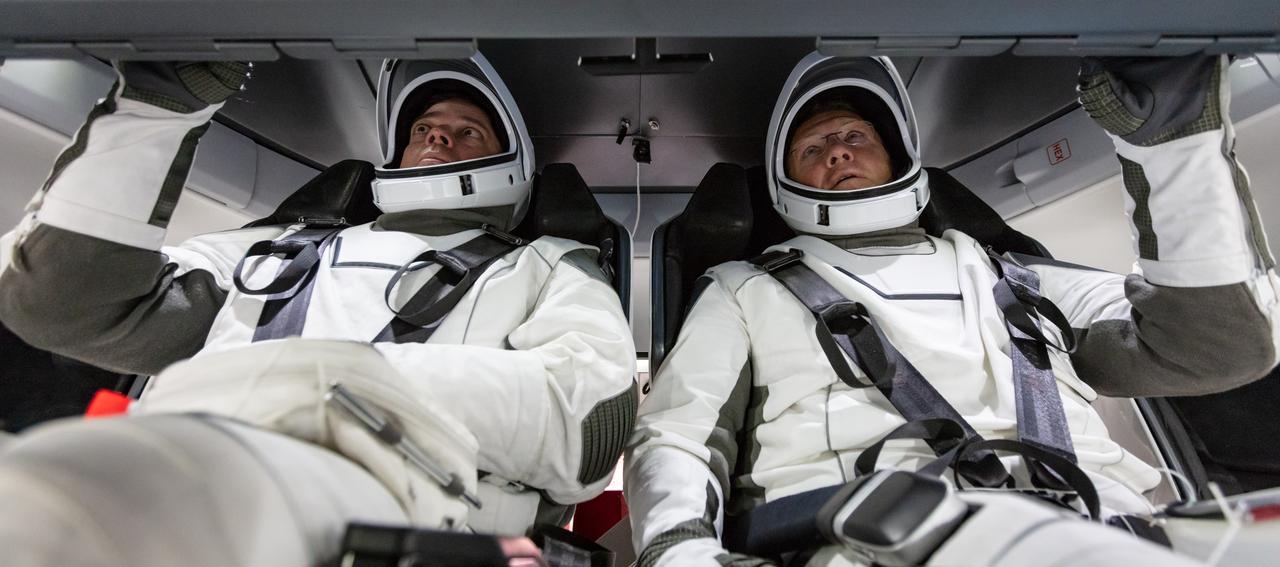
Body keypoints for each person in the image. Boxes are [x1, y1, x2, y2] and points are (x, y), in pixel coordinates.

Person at [625, 53, 1280, 566]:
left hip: (1104, 526)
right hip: (870, 538)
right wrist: (680, 549)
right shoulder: (743, 289)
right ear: (784, 180)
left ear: (902, 158)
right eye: (813, 149)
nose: (838, 152)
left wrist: (1170, 143)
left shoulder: (1021, 277)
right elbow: (676, 437)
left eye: (854, 134)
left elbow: (1218, 347)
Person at [0, 54, 637, 566]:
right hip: (192, 455)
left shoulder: (547, 266)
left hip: (415, 512)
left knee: (75, 510)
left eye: (467, 130)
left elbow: (589, 427)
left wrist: (326, 383)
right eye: (423, 127)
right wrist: (161, 104)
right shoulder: (273, 247)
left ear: (509, 161)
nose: (438, 135)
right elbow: (62, 302)